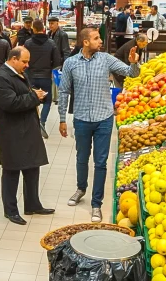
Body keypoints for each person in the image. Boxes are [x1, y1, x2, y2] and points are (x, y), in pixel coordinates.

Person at [58, 26, 141, 222]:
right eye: (96, 38)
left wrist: (134, 63)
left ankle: (97, 203)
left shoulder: (106, 59)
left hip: (104, 118)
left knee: (101, 162)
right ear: (85, 42)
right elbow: (63, 91)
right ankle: (80, 189)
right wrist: (62, 118)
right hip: (81, 118)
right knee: (81, 157)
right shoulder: (71, 63)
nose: (100, 41)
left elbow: (131, 73)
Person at [0, 47, 53, 224]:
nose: (27, 65)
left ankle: (33, 204)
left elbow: (22, 94)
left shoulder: (17, 73)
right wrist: (34, 96)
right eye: (24, 61)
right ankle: (10, 210)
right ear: (13, 59)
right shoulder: (1, 78)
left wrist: (33, 94)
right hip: (12, 132)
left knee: (32, 167)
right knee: (12, 171)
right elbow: (11, 103)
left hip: (27, 129)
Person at [24, 19, 59, 137]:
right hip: (45, 76)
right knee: (47, 101)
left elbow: (23, 59)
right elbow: (57, 60)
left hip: (31, 76)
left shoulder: (28, 43)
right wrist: (50, 69)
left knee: (32, 101)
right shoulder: (51, 43)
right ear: (43, 28)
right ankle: (42, 122)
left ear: (33, 29)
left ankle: (33, 124)